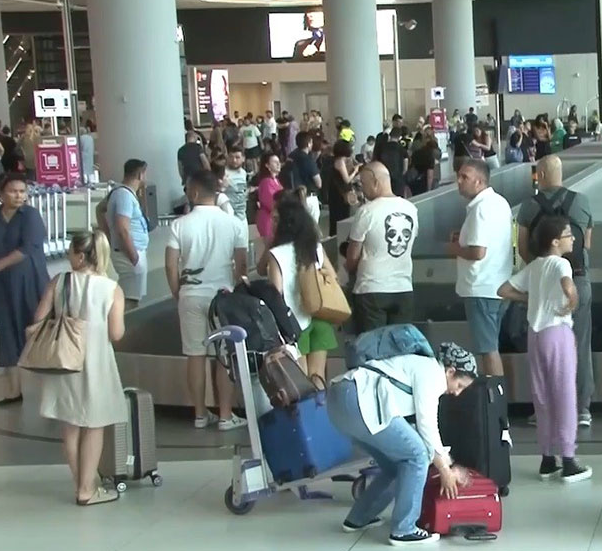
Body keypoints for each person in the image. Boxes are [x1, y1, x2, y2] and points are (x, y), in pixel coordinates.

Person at [327, 342, 478, 545]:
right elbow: (427, 424)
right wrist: (445, 469)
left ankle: (359, 518)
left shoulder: (417, 367)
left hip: (339, 401)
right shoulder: (432, 372)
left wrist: (446, 463)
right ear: (450, 371)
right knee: (417, 456)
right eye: (459, 385)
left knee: (395, 464)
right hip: (359, 399)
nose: (457, 393)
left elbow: (413, 432)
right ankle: (404, 529)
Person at [35, 230, 128, 505]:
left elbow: (38, 318)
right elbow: (116, 333)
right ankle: (87, 490)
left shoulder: (59, 282)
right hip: (96, 361)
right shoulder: (112, 288)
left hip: (63, 360)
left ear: (78, 255)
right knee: (94, 424)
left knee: (71, 424)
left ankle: (81, 483)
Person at [498, 215, 592, 482]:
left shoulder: (535, 266)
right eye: (567, 235)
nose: (572, 238)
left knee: (542, 396)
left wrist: (532, 298)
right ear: (554, 241)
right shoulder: (561, 262)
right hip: (557, 333)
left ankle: (548, 458)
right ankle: (569, 459)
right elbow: (567, 284)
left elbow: (503, 289)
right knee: (564, 394)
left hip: (535, 336)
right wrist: (571, 300)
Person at [166, 170, 249, 431]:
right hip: (222, 298)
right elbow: (242, 264)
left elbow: (170, 265)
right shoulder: (234, 224)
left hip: (190, 296)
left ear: (194, 192)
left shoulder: (179, 225)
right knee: (224, 355)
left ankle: (200, 414)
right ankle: (225, 415)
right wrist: (233, 286)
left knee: (195, 356)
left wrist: (177, 291)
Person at [516, 156, 595, 425]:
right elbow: (587, 244)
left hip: (544, 286)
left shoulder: (529, 206)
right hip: (579, 280)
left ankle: (545, 410)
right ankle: (582, 408)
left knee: (545, 348)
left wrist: (542, 271)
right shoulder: (581, 202)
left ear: (540, 175)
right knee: (580, 344)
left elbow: (523, 247)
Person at [0, 174, 51, 406]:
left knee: (36, 332)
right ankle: (13, 391)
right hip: (2, 289)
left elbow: (27, 248)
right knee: (7, 335)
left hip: (31, 282)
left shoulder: (31, 216)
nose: (19, 196)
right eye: (13, 191)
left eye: (22, 191)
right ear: (1, 194)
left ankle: (50, 391)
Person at [448, 159, 514, 376]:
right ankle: (497, 402)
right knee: (491, 346)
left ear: (479, 181)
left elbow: (478, 252)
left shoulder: (480, 209)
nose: (459, 181)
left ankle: (495, 401)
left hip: (481, 288)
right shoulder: (500, 202)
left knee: (488, 350)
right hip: (499, 284)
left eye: (464, 177)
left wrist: (455, 248)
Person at [266, 195, 339, 381]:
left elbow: (276, 293)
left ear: (285, 223)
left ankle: (307, 411)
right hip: (320, 316)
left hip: (296, 324)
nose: (272, 223)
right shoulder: (314, 247)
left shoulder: (277, 254)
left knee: (302, 380)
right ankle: (321, 410)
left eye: (275, 219)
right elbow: (333, 276)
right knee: (318, 375)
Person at [347, 162, 418, 333]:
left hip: (371, 289)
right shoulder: (411, 209)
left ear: (375, 182)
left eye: (363, 184)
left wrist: (351, 268)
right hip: (403, 287)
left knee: (373, 348)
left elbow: (352, 258)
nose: (363, 190)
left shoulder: (366, 212)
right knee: (399, 348)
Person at [104, 160, 151, 309]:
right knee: (129, 299)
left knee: (132, 296)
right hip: (129, 253)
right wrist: (134, 257)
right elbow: (123, 229)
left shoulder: (120, 192)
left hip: (130, 251)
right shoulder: (124, 195)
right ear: (140, 174)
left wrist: (109, 235)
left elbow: (100, 209)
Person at [327, 140, 359, 237]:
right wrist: (355, 170)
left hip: (335, 191)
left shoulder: (335, 160)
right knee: (341, 216)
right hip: (340, 193)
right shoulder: (340, 161)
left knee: (336, 216)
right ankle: (339, 236)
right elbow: (347, 179)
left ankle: (335, 236)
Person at [253, 153, 283, 244]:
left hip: (275, 219)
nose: (278, 164)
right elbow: (271, 202)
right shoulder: (266, 182)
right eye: (275, 162)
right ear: (267, 165)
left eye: (279, 162)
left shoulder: (276, 180)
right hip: (268, 219)